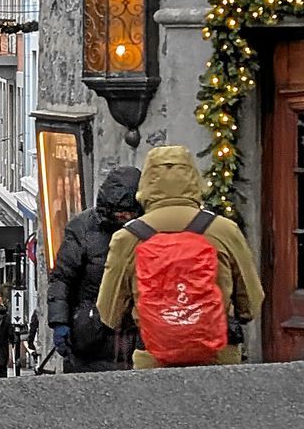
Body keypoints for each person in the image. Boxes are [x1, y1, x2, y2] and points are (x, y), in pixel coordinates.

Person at [96, 146, 264, 368]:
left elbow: (109, 312)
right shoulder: (223, 230)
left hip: (154, 359)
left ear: (146, 183)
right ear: (194, 179)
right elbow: (251, 302)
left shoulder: (128, 237)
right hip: (218, 359)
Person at [46, 165, 143, 373]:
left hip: (133, 332)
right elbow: (62, 278)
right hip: (90, 333)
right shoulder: (82, 227)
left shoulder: (147, 230)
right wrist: (59, 322)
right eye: (119, 212)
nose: (124, 217)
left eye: (129, 212)